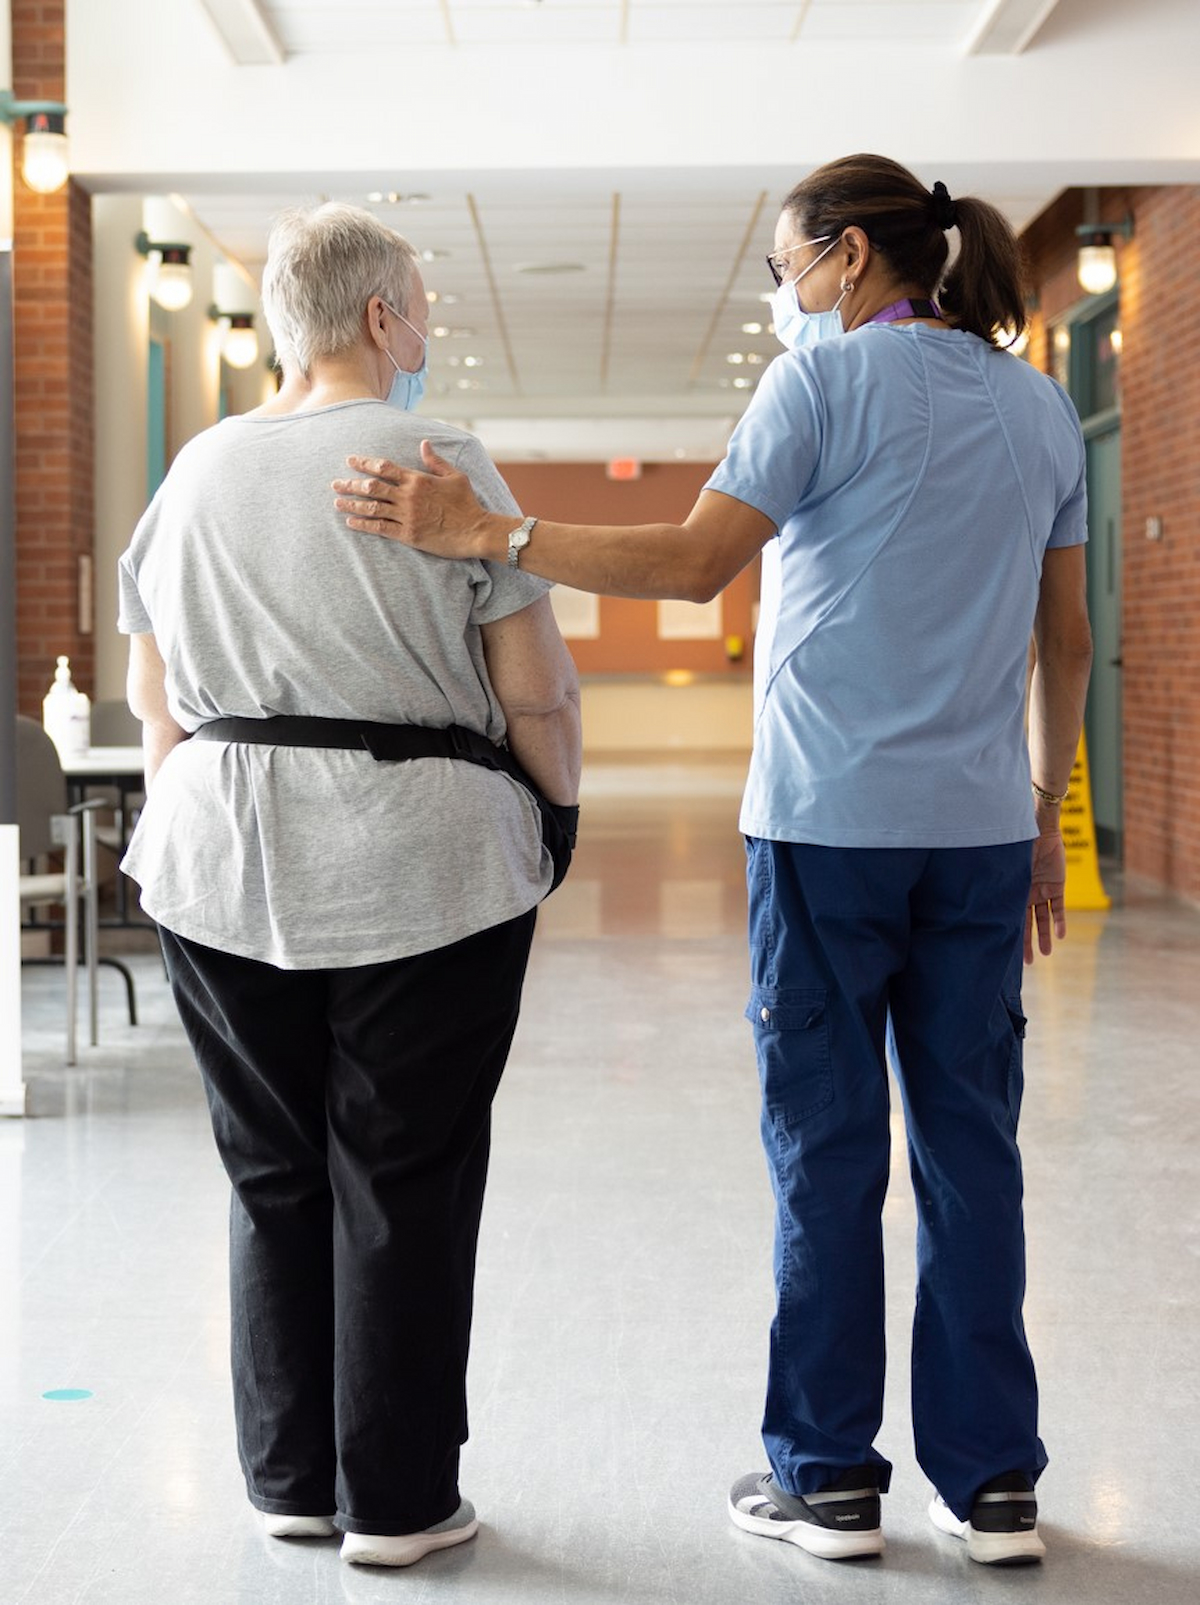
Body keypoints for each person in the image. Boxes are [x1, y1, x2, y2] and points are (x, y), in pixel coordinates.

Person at [331, 154, 1093, 1568]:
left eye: (787, 265)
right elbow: (1068, 642)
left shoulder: (817, 387)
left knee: (827, 1155)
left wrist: (484, 529)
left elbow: (693, 565)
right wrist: (1046, 810)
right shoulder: (1043, 404)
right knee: (973, 1153)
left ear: (851, 259)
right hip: (983, 834)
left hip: (825, 831)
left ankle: (828, 1480)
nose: (783, 293)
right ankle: (993, 1486)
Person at [117, 202, 581, 1568]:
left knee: (271, 1171)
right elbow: (537, 688)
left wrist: (204, 821)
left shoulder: (192, 471)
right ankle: (398, 1498)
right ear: (382, 318)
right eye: (421, 309)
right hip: (421, 855)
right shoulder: (435, 454)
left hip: (213, 853)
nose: (426, 332)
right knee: (405, 1171)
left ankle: (288, 1480)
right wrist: (556, 818)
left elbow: (156, 702)